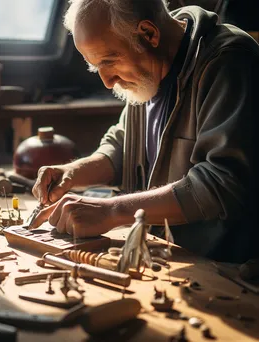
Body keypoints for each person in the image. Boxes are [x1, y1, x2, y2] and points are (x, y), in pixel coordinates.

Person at [31, 0, 259, 262]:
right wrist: (73, 172)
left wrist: (112, 211)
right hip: (164, 253)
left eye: (109, 61)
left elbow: (221, 184)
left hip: (223, 267)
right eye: (96, 67)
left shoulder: (228, 61)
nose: (107, 82)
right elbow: (122, 144)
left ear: (149, 33)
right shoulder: (147, 68)